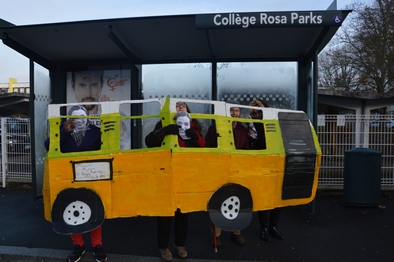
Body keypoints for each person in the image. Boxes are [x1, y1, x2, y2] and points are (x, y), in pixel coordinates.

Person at [44, 105, 107, 262]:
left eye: (82, 116)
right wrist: (64, 131)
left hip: (91, 175)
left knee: (95, 210)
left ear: (87, 117)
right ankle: (78, 246)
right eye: (76, 117)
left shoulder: (96, 132)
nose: (80, 120)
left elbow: (105, 150)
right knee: (72, 211)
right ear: (70, 118)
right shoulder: (63, 131)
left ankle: (97, 245)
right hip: (69, 177)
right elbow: (48, 145)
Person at [145, 101, 205, 262]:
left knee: (183, 213)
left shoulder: (195, 126)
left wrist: (195, 137)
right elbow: (148, 142)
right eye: (177, 105)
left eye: (183, 105)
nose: (180, 107)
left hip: (186, 175)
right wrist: (163, 132)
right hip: (166, 175)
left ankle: (180, 244)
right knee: (165, 213)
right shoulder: (163, 123)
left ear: (187, 109)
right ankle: (163, 247)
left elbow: (204, 147)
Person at [205, 100, 249, 248]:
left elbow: (247, 150)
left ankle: (236, 232)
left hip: (238, 170)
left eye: (237, 110)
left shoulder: (244, 130)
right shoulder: (215, 127)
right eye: (232, 110)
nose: (234, 113)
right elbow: (208, 146)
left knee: (239, 200)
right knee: (218, 201)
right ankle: (216, 235)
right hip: (219, 170)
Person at [248, 99, 284, 242]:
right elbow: (256, 143)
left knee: (277, 197)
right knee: (263, 197)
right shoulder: (250, 124)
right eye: (254, 112)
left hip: (275, 163)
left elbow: (274, 140)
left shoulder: (273, 122)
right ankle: (263, 228)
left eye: (259, 111)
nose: (257, 115)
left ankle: (273, 227)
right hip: (260, 163)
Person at [71, 70, 130, 149]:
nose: (88, 94)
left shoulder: (117, 115)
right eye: (82, 85)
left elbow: (123, 136)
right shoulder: (66, 117)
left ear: (101, 84)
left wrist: (109, 116)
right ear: (73, 86)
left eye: (94, 85)